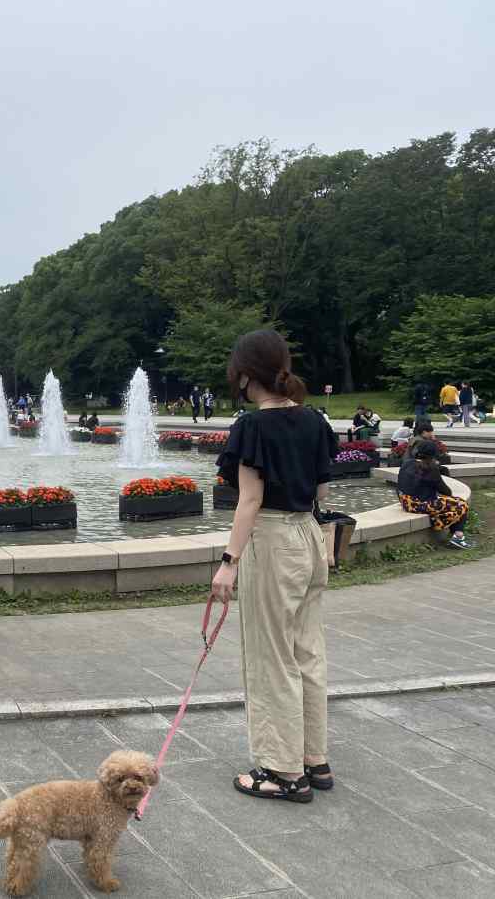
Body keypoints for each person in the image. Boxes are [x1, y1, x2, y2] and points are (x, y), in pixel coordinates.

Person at [213, 328, 335, 803]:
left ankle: (281, 771)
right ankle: (313, 758)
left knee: (271, 656)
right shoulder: (315, 421)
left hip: (272, 540)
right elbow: (323, 493)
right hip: (308, 536)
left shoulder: (251, 427)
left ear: (245, 375)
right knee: (307, 650)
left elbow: (250, 500)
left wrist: (229, 561)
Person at [398, 441, 470, 549]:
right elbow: (446, 492)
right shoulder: (430, 468)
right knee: (461, 503)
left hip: (406, 502)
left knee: (441, 502)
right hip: (420, 505)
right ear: (433, 454)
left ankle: (440, 524)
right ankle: (458, 537)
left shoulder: (407, 463)